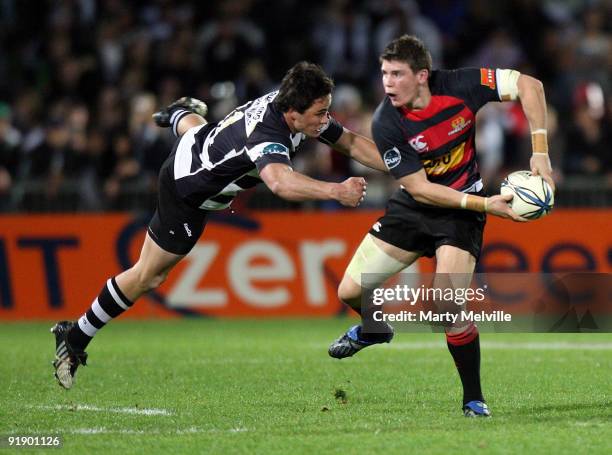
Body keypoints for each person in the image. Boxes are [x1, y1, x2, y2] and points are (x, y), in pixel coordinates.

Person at [51, 62, 387, 389]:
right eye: (320, 113)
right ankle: (75, 335)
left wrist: (407, 170)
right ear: (293, 113)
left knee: (202, 132)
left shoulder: (294, 106)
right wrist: (336, 190)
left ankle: (181, 113)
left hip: (202, 145)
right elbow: (281, 184)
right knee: (148, 275)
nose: (326, 119)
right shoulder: (268, 134)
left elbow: (352, 142)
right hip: (187, 190)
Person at [327, 35, 555, 417]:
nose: (387, 83)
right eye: (384, 73)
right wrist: (488, 204)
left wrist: (540, 152)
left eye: (397, 74)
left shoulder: (462, 85)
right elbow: (419, 188)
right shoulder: (386, 120)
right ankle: (375, 329)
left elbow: (530, 85)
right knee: (349, 291)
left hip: (460, 214)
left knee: (446, 306)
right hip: (416, 205)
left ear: (422, 76)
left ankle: (473, 398)